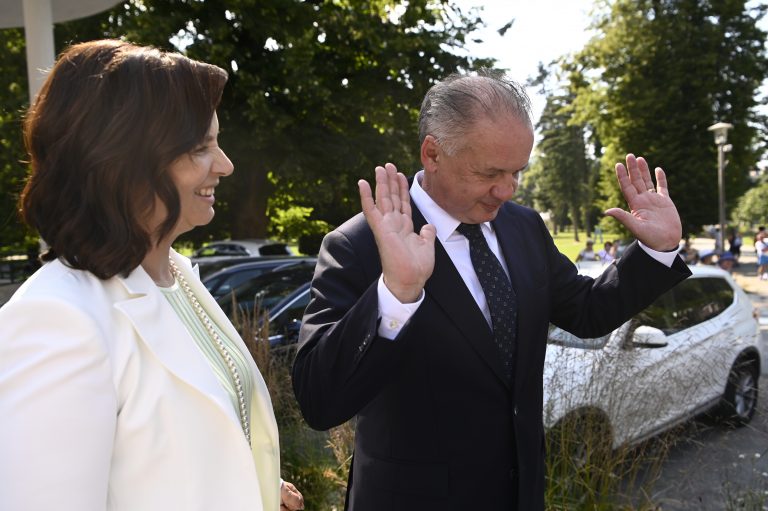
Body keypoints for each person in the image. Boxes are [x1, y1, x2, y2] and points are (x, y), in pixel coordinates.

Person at [292, 70, 690, 511]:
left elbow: (586, 311)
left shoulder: (523, 226)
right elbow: (319, 400)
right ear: (433, 153)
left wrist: (657, 252)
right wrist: (396, 292)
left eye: (518, 172)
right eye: (489, 173)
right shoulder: (359, 244)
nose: (506, 190)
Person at [0, 40, 303, 511]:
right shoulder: (57, 319)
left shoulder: (177, 277)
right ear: (125, 163)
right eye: (201, 148)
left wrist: (253, 487)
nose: (225, 165)